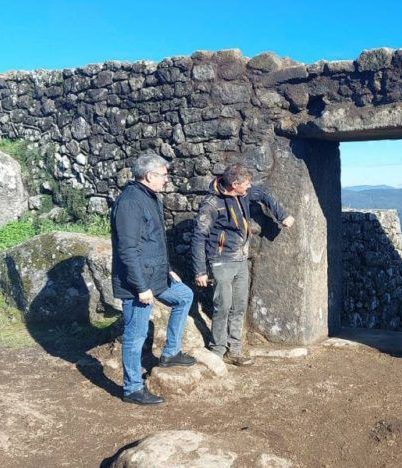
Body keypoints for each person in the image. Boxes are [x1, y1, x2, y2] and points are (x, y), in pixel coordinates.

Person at [111, 152, 196, 406]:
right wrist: (141, 287)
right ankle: (132, 388)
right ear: (149, 176)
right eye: (163, 175)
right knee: (135, 335)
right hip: (138, 284)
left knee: (184, 296)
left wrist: (167, 268)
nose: (166, 180)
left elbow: (154, 240)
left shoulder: (150, 198)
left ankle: (170, 353)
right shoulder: (130, 203)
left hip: (156, 275)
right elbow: (128, 249)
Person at [191, 164, 294, 365]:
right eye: (246, 184)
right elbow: (199, 236)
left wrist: (281, 215)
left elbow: (263, 194)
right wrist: (200, 271)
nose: (249, 187)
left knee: (238, 306)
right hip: (221, 261)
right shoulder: (211, 204)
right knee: (223, 306)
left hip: (240, 259)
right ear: (234, 184)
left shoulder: (244, 194)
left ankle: (235, 350)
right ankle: (218, 350)